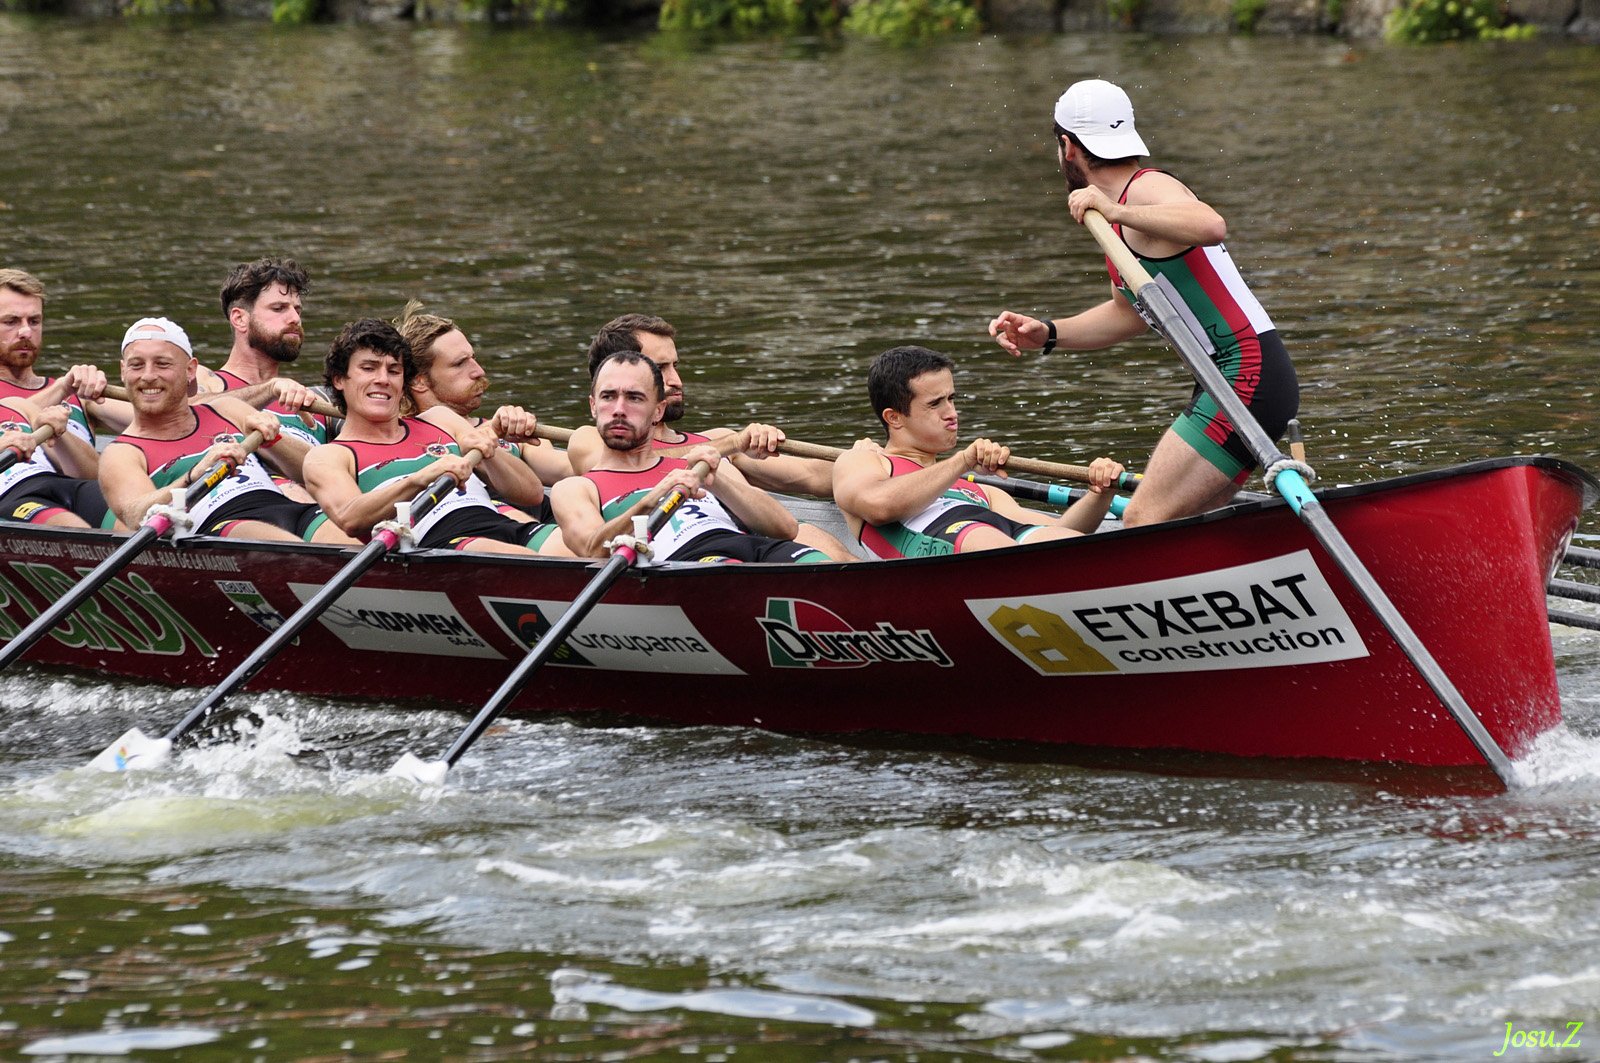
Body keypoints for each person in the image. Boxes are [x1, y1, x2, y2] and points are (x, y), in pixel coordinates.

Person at [986, 78, 1298, 527]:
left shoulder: (1143, 191)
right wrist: (1049, 333)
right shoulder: (1119, 214)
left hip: (1243, 372)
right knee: (1187, 521)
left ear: (1067, 147)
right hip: (1236, 378)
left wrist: (1115, 211)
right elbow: (1126, 315)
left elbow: (1210, 224)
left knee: (1141, 519)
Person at [569, 314, 855, 561]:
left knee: (825, 545)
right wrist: (731, 445)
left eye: (675, 366)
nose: (676, 381)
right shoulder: (588, 439)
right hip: (691, 552)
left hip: (752, 536)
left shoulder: (716, 439)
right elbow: (633, 463)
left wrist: (876, 461)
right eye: (661, 369)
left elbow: (812, 476)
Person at [302, 318, 568, 555]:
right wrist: (423, 477)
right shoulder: (328, 456)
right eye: (369, 368)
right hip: (443, 543)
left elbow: (532, 494)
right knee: (527, 560)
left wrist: (491, 454)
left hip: (502, 525)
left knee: (578, 551)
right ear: (339, 379)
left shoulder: (439, 419)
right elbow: (350, 518)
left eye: (394, 370)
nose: (383, 379)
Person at [832, 346, 1124, 559]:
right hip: (956, 546)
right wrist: (963, 460)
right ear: (894, 417)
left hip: (995, 537)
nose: (952, 413)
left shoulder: (982, 490)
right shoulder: (862, 460)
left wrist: (1100, 494)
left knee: (1064, 540)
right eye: (936, 404)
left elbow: (1064, 530)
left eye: (952, 399)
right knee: (986, 539)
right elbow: (879, 507)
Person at [99, 317, 355, 544]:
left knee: (349, 541)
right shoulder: (122, 452)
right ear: (122, 371)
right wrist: (195, 474)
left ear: (190, 370)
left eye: (162, 364)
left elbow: (312, 471)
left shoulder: (225, 408)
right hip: (222, 526)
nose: (148, 376)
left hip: (287, 510)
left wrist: (273, 440)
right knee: (307, 555)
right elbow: (135, 514)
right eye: (136, 365)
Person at [396, 300, 573, 521]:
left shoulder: (510, 429)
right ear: (419, 381)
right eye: (460, 364)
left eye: (474, 358)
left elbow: (569, 469)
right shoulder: (400, 441)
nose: (479, 371)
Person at [0, 268, 120, 528]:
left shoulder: (83, 396)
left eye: (34, 321)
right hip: (20, 499)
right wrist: (63, 391)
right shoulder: (68, 389)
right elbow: (17, 410)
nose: (25, 332)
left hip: (80, 492)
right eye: (11, 322)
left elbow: (163, 420)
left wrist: (177, 387)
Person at [197, 257, 330, 483]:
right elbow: (188, 413)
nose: (295, 319)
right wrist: (270, 389)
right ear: (239, 319)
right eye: (279, 308)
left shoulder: (319, 402)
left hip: (314, 502)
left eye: (297, 310)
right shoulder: (206, 380)